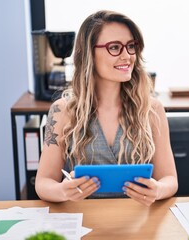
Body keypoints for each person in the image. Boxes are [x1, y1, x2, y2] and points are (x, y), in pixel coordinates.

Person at [35, 10, 178, 206]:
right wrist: (62, 191)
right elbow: (43, 183)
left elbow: (170, 179)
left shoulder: (152, 109)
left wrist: (158, 190)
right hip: (83, 220)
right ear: (89, 54)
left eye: (131, 46)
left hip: (137, 220)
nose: (127, 56)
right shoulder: (62, 111)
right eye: (114, 47)